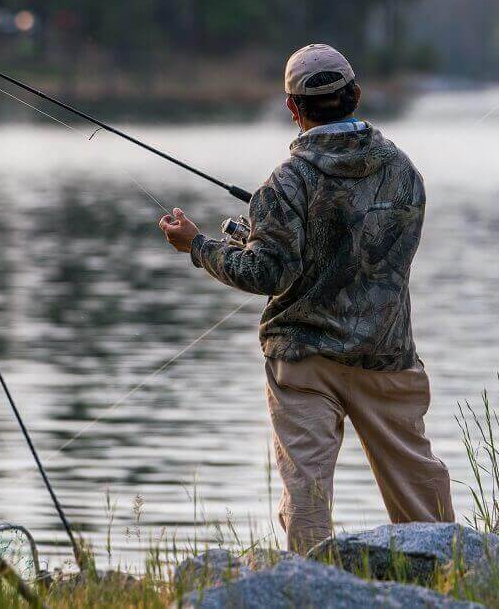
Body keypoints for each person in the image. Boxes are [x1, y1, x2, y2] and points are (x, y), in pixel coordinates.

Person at [157, 43, 453, 552]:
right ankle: (452, 574)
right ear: (356, 95)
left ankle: (309, 585)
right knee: (419, 497)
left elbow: (266, 271)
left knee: (307, 495)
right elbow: (372, 255)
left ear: (293, 109)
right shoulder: (405, 172)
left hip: (304, 360)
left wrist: (199, 246)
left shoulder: (284, 184)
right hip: (386, 358)